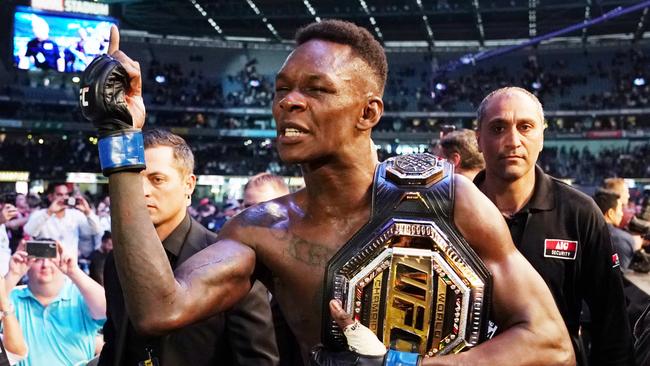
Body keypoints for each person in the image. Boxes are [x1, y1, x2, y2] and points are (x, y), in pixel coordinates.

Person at [82, 22, 574, 366]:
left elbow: (551, 343)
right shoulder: (263, 230)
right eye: (282, 90)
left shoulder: (447, 199)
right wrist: (119, 138)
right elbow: (158, 310)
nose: (289, 102)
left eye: (316, 89)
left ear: (368, 113)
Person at [473, 86, 634, 365]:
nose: (513, 140)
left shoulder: (579, 213)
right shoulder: (453, 214)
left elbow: (612, 323)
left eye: (525, 127)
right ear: (478, 139)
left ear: (542, 138)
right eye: (498, 128)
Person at [98, 129, 279, 366]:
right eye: (134, 179)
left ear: (188, 185)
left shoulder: (231, 258)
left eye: (157, 179)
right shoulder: (117, 260)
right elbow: (115, 344)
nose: (142, 191)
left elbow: (258, 360)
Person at [5, 241, 105, 366]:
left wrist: (73, 271)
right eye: (38, 259)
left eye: (52, 258)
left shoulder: (79, 296)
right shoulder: (12, 296)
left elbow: (107, 310)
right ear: (27, 264)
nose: (45, 265)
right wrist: (14, 274)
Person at [23, 183, 102, 256]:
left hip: (69, 266)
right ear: (50, 197)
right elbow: (29, 232)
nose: (64, 198)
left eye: (67, 194)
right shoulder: (40, 214)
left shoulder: (75, 215)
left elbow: (97, 230)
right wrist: (49, 213)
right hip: (46, 265)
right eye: (59, 195)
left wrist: (88, 212)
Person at [592, 189, 640, 271]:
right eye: (620, 209)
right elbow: (619, 276)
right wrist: (637, 246)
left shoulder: (585, 232)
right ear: (610, 213)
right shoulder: (622, 239)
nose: (621, 213)